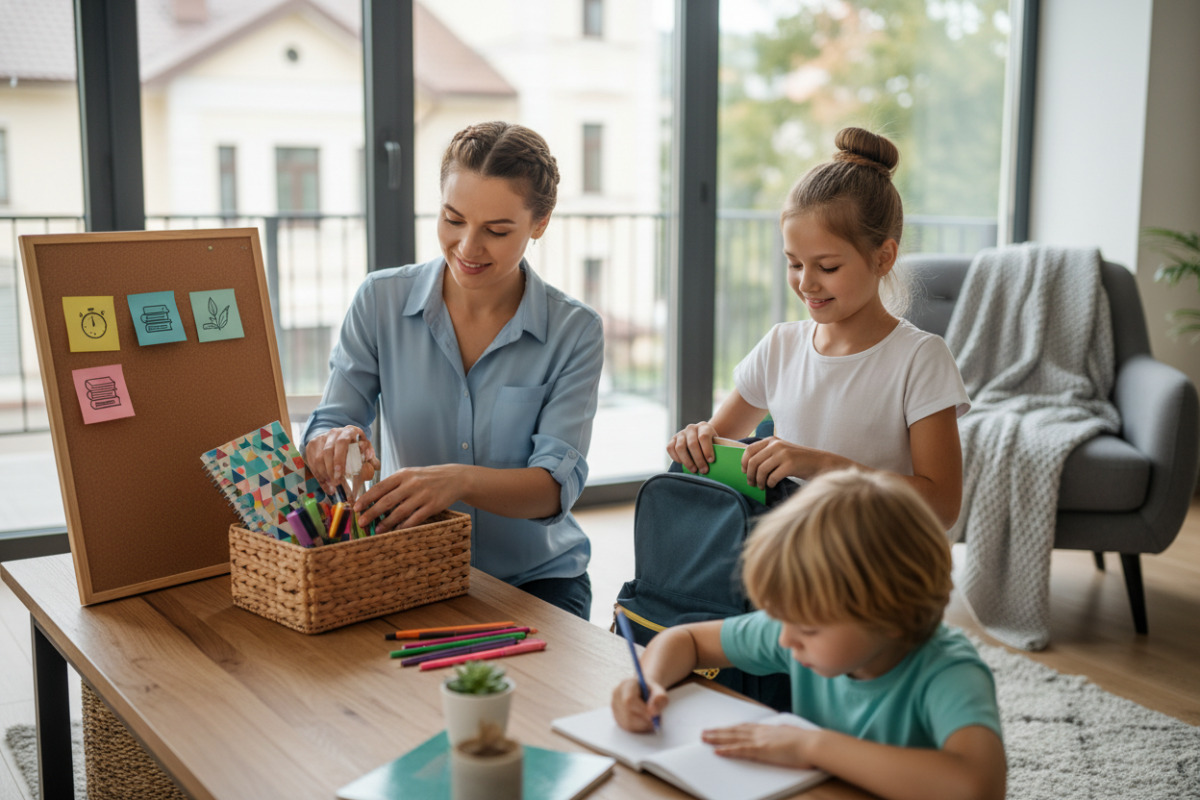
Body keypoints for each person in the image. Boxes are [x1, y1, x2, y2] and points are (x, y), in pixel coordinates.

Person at [302, 121, 604, 620]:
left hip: (537, 580)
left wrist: (459, 481)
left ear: (540, 223)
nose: (467, 247)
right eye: (453, 219)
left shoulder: (575, 331)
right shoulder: (380, 301)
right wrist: (333, 442)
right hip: (408, 568)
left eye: (497, 230)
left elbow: (553, 489)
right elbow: (330, 421)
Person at [611, 469, 1006, 800]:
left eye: (807, 628)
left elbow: (979, 784)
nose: (784, 640)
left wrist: (811, 746)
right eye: (780, 618)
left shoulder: (949, 672)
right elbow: (688, 641)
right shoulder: (797, 630)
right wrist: (646, 681)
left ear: (890, 615)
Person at [667, 127, 968, 528]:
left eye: (827, 267)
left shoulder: (920, 359)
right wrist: (697, 442)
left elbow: (943, 505)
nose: (806, 283)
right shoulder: (780, 346)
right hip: (792, 563)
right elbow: (719, 444)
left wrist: (822, 466)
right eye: (794, 263)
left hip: (881, 567)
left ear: (883, 257)